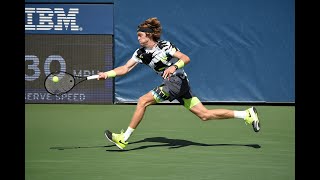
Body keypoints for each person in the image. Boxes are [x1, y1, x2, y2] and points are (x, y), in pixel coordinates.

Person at [97, 17, 260, 150]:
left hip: (177, 80)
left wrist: (174, 66)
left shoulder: (165, 46)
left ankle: (124, 138)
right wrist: (106, 74)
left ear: (149, 35)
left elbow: (186, 58)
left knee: (142, 101)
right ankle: (246, 114)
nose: (137, 37)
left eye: (140, 35)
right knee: (204, 115)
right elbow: (125, 68)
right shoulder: (139, 54)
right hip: (177, 85)